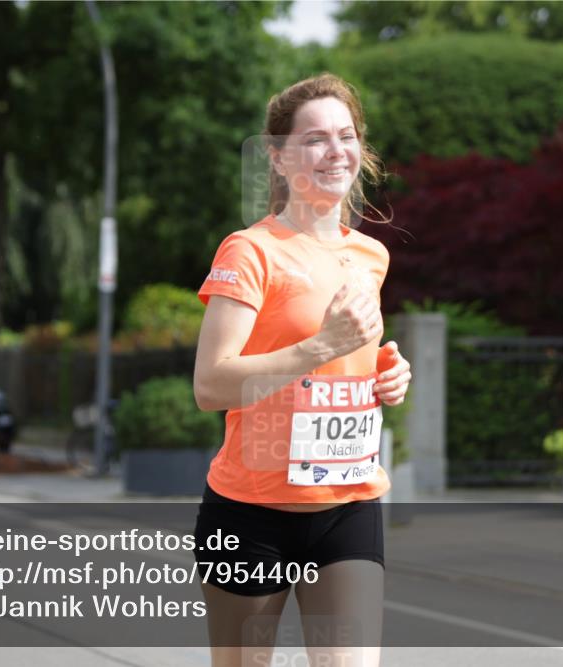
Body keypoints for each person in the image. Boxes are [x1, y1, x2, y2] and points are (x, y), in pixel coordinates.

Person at [192, 72, 412, 667]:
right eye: (314, 139)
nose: (335, 150)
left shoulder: (370, 255)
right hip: (250, 513)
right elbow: (211, 384)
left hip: (348, 505)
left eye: (346, 136)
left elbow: (349, 356)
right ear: (278, 156)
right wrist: (320, 347)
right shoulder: (250, 251)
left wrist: (387, 373)